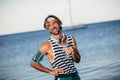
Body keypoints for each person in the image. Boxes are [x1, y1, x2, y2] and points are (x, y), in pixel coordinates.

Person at [30, 15, 81, 80]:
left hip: (75, 76)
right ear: (47, 28)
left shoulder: (71, 39)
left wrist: (73, 52)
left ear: (59, 23)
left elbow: (78, 60)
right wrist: (50, 71)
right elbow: (33, 63)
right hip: (62, 78)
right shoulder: (46, 46)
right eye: (49, 25)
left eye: (54, 23)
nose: (53, 26)